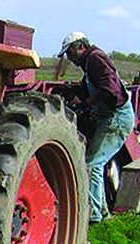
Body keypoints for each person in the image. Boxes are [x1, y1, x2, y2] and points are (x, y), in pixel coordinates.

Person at [57, 31, 134, 223]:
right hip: (108, 117)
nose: (69, 58)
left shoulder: (96, 59)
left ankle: (94, 216)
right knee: (95, 162)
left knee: (93, 164)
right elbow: (94, 86)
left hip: (115, 118)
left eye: (70, 53)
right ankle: (103, 213)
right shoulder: (89, 63)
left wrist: (85, 103)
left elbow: (109, 90)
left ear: (80, 47)